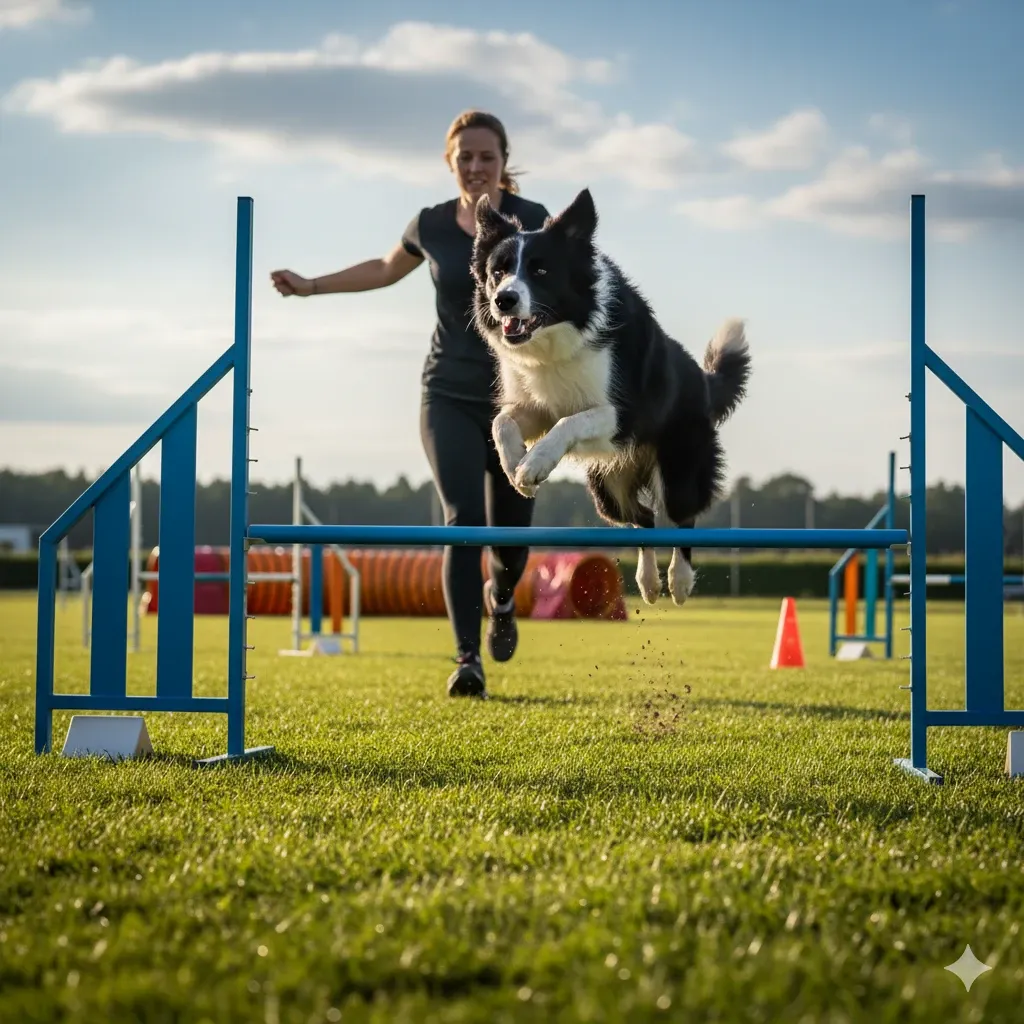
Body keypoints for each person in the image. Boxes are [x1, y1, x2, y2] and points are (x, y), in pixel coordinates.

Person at [270, 110, 551, 700]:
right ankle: (467, 660)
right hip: (446, 393)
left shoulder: (533, 220)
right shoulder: (430, 225)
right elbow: (383, 268)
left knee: (510, 539)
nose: (476, 167)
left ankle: (502, 598)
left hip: (519, 400)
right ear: (451, 163)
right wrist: (311, 285)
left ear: (504, 161)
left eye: (487, 157)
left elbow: (567, 285)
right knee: (462, 522)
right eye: (465, 157)